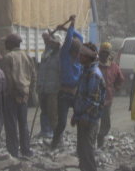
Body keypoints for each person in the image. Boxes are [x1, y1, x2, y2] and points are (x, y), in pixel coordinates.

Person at [0, 33, 36, 158]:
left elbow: (7, 79)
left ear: (11, 43)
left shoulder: (8, 57)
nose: (5, 44)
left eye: (6, 42)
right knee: (23, 124)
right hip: (24, 95)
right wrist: (29, 93)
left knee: (11, 125)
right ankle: (26, 150)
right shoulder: (27, 56)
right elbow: (33, 76)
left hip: (11, 96)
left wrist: (13, 93)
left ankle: (13, 152)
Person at [51, 15, 83, 149]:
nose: (77, 55)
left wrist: (65, 28)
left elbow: (79, 38)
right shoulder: (64, 55)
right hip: (64, 94)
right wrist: (71, 25)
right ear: (71, 51)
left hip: (76, 94)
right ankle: (55, 142)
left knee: (81, 120)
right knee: (62, 122)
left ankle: (82, 144)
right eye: (76, 52)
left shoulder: (79, 61)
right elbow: (70, 40)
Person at [72, 42, 106, 171]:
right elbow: (81, 96)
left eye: (82, 55)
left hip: (89, 119)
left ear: (87, 57)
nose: (79, 57)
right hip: (83, 117)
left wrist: (84, 116)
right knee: (82, 151)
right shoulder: (86, 71)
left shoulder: (94, 74)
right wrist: (76, 115)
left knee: (87, 151)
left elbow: (94, 100)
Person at [96, 42, 124, 148]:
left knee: (105, 122)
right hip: (94, 98)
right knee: (93, 121)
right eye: (102, 52)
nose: (104, 55)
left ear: (109, 54)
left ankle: (100, 139)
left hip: (107, 99)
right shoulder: (95, 64)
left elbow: (120, 79)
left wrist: (114, 89)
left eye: (106, 53)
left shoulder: (113, 66)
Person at [37, 31, 62, 139]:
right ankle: (45, 131)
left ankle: (56, 136)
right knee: (44, 111)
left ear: (58, 44)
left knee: (53, 114)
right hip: (43, 89)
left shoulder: (61, 56)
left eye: (52, 42)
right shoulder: (47, 53)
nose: (50, 43)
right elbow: (42, 70)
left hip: (53, 90)